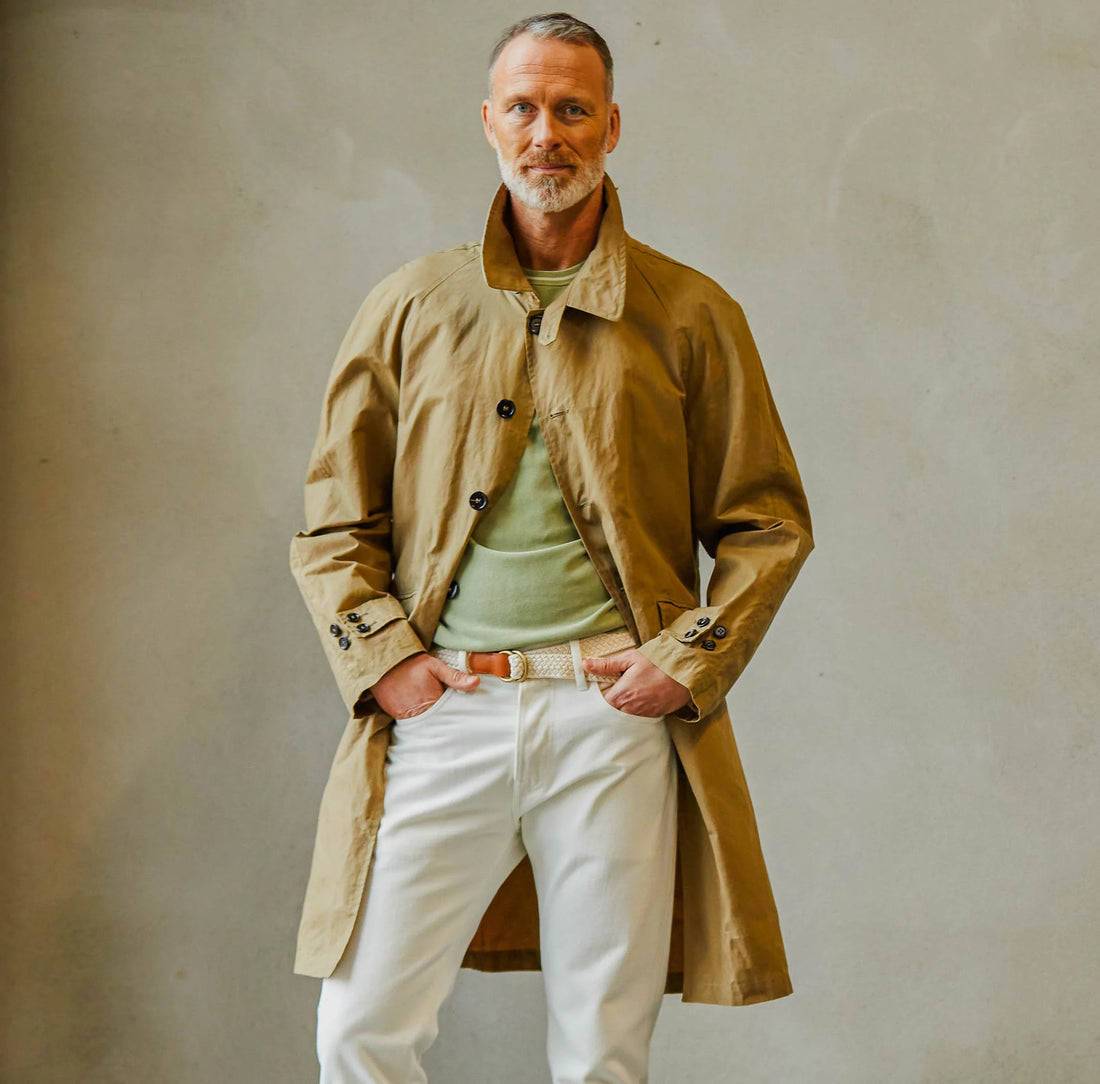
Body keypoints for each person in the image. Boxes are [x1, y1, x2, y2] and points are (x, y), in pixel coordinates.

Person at [290, 12, 814, 1083]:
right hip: (446, 710)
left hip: (609, 717)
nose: (547, 134)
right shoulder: (408, 307)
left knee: (600, 1050)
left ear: (611, 126)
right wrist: (385, 661)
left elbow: (767, 523)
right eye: (523, 107)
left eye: (572, 109)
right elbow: (336, 521)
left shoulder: (690, 314)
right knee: (360, 1030)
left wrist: (686, 660)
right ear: (486, 122)